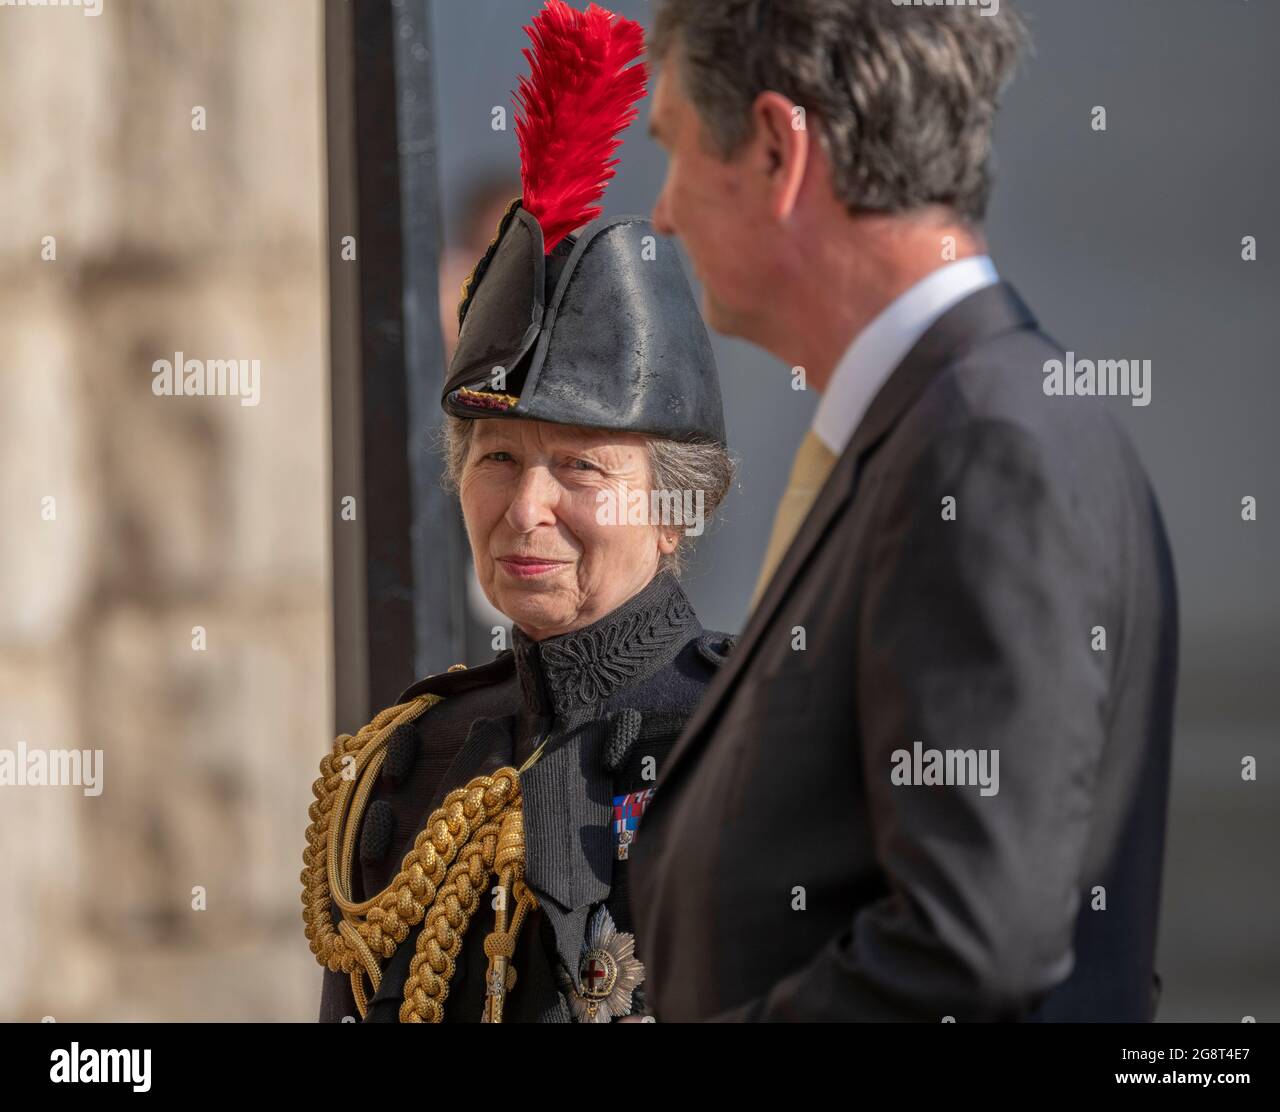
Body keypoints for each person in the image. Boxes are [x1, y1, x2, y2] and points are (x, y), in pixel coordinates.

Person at [631, 0, 1179, 1021]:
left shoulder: (981, 444)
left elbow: (967, 951)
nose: (660, 211)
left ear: (774, 148)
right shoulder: (951, 423)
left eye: (670, 147)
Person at [302, 0, 734, 1023]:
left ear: (675, 504)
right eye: (497, 458)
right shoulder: (409, 758)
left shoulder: (749, 741)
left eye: (580, 467)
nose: (525, 507)